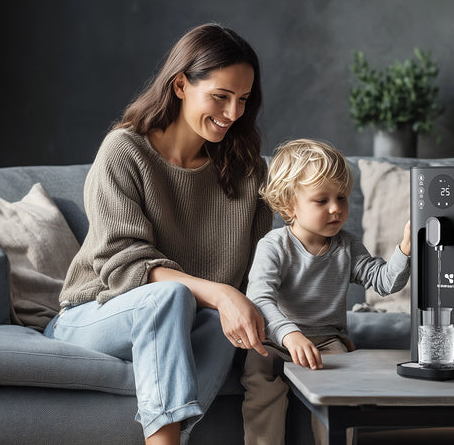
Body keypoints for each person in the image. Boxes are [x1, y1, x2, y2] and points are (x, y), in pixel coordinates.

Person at [43, 23, 273, 445]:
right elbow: (126, 265)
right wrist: (221, 293)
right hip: (94, 315)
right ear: (182, 85)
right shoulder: (124, 150)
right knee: (172, 296)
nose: (233, 114)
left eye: (243, 100)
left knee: (223, 322)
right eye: (220, 97)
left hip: (184, 325)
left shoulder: (249, 173)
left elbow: (259, 275)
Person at [241, 139, 411, 445]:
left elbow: (385, 282)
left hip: (327, 341)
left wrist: (406, 249)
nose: (336, 209)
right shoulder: (274, 246)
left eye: (342, 198)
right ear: (288, 206)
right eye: (322, 201)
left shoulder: (347, 245)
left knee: (337, 397)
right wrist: (290, 334)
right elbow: (259, 299)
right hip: (275, 341)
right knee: (262, 389)